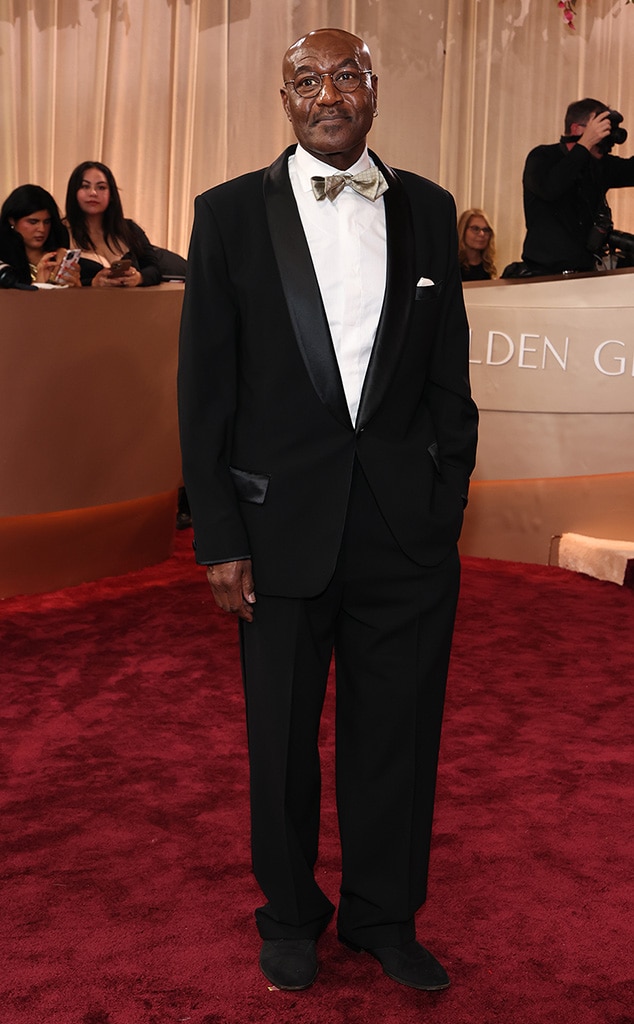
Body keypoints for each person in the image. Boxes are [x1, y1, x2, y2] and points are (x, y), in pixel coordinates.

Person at [178, 27, 478, 994]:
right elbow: (204, 391)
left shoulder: (430, 208)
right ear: (284, 101)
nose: (328, 94)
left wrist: (445, 499)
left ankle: (385, 917)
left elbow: (449, 376)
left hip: (404, 531)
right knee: (280, 743)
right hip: (275, 533)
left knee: (399, 736)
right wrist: (218, 535)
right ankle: (290, 915)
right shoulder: (228, 214)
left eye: (346, 75)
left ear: (373, 90)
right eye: (306, 80)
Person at [521, 97, 634, 275]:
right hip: (543, 275)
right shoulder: (542, 157)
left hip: (586, 274)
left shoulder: (598, 165)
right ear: (576, 129)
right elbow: (551, 188)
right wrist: (585, 143)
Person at [64, 161, 161, 287]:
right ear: (74, 192)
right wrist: (92, 283)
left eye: (101, 187)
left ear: (111, 195)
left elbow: (155, 269)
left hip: (131, 299)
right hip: (81, 300)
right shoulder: (61, 231)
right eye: (85, 186)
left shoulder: (130, 229)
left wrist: (139, 278)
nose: (93, 193)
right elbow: (55, 283)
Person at [0, 184, 80, 286]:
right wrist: (39, 285)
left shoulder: (59, 256)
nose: (42, 229)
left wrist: (76, 286)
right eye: (33, 222)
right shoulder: (3, 262)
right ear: (12, 221)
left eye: (47, 222)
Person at [458, 208, 497, 280]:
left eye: (486, 230)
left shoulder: (488, 266)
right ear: (463, 231)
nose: (482, 234)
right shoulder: (452, 265)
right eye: (475, 229)